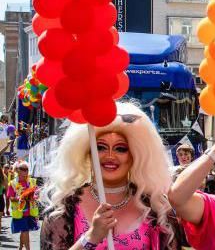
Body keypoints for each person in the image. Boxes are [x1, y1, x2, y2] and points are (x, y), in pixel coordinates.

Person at [38, 102, 176, 250]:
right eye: (101, 147)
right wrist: (91, 238)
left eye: (121, 148)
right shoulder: (65, 207)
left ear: (135, 155)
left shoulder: (155, 206)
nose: (110, 156)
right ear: (88, 153)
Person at [8, 161, 39, 250]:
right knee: (25, 230)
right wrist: (19, 198)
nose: (25, 171)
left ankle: (21, 247)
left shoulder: (32, 181)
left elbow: (37, 194)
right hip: (19, 212)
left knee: (24, 230)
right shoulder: (13, 183)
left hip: (31, 211)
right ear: (17, 170)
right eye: (23, 169)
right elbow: (11, 198)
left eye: (27, 169)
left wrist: (34, 197)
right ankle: (28, 249)